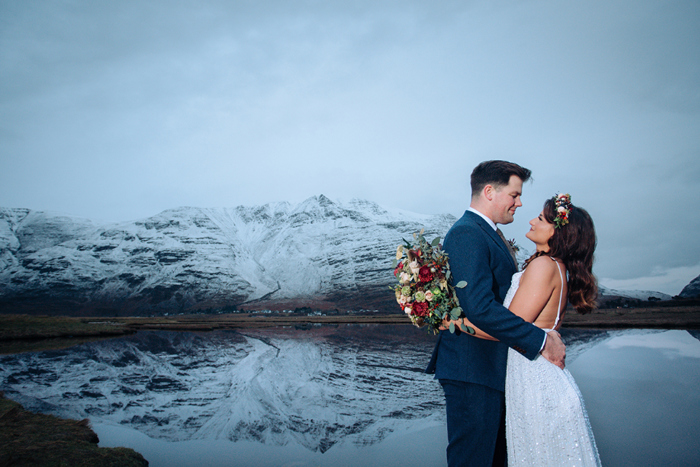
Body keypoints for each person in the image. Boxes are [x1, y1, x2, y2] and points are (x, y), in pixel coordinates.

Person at [425, 161, 566, 467]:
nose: (519, 202)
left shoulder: (488, 234)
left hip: (487, 370)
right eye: (514, 195)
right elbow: (479, 307)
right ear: (489, 192)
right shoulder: (467, 233)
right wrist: (541, 341)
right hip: (472, 368)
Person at [452, 194, 601, 466]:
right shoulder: (554, 266)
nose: (532, 220)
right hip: (532, 374)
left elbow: (505, 328)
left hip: (534, 380)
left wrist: (453, 323)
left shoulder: (544, 266)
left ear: (559, 233)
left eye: (541, 219)